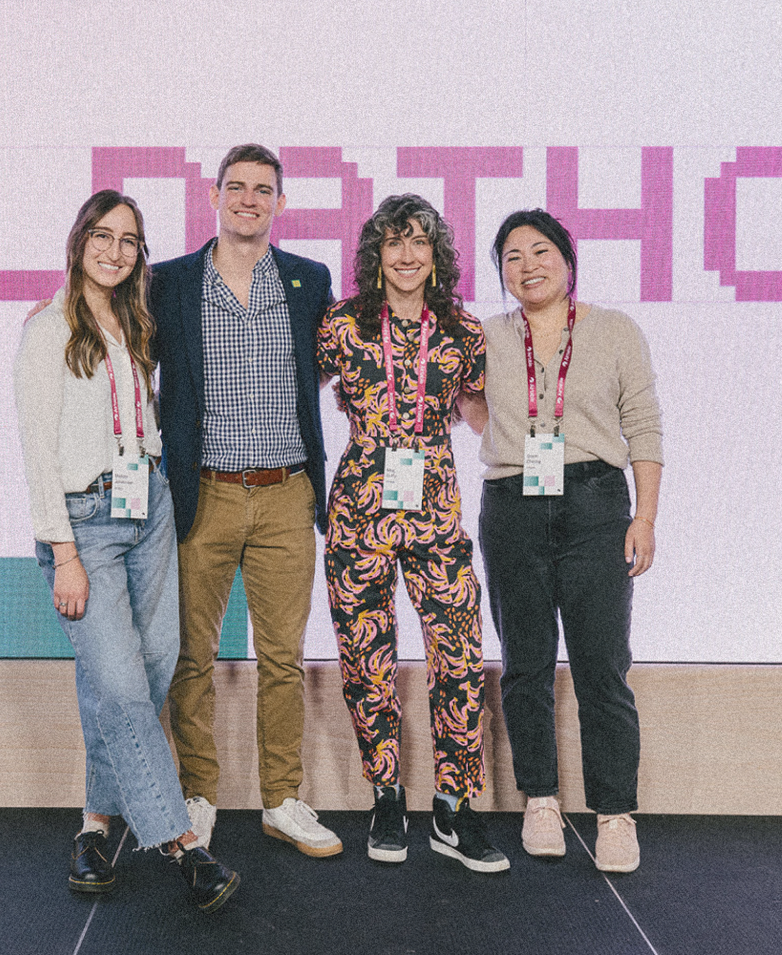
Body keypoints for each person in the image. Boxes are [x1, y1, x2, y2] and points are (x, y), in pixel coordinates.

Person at [14, 190, 239, 912]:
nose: (115, 251)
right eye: (103, 236)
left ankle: (94, 825)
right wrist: (64, 553)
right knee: (117, 683)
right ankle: (182, 843)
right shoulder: (48, 329)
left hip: (150, 509)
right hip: (85, 523)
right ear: (79, 240)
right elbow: (38, 453)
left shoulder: (137, 320)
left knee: (144, 670)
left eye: (129, 240)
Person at [150, 145, 341, 857]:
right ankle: (197, 795)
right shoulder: (168, 281)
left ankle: (281, 799)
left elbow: (340, 358)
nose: (249, 199)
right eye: (237, 186)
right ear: (214, 195)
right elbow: (113, 332)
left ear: (280, 203)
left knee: (283, 658)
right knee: (191, 657)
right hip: (202, 493)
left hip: (287, 492)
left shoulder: (308, 280)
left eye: (263, 189)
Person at [317, 194, 508, 872]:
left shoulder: (462, 328)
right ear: (376, 253)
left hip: (435, 507)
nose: (406, 254)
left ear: (436, 254)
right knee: (365, 658)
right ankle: (387, 796)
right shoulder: (341, 323)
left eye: (419, 241)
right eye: (394, 241)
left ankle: (453, 807)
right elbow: (289, 383)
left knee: (458, 656)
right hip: (357, 512)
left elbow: (480, 408)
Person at [476, 208, 663, 873]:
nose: (527, 265)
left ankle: (614, 812)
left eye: (540, 251)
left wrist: (644, 517)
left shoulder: (614, 330)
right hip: (512, 505)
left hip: (594, 503)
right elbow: (466, 404)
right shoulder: (486, 336)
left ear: (567, 259)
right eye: (512, 257)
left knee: (601, 664)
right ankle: (540, 800)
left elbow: (643, 423)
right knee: (525, 664)